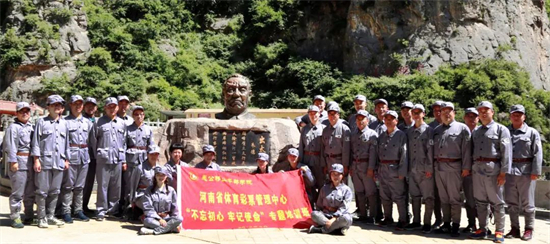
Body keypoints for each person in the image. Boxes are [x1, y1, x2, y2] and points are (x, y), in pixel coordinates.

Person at [469, 101, 511, 243]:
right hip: (477, 170)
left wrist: (503, 173)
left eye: (486, 110)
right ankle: (482, 229)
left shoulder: (501, 129)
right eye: (480, 111)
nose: (483, 112)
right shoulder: (476, 131)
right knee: (480, 202)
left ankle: (499, 231)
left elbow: (507, 153)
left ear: (492, 112)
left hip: (494, 170)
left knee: (497, 202)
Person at [432, 102, 472, 237]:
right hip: (439, 168)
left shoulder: (462, 128)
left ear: (454, 113)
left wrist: (466, 167)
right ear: (440, 114)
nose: (446, 114)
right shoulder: (436, 130)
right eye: (443, 111)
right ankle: (446, 223)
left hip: (454, 167)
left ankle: (455, 224)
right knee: (443, 198)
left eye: (449, 111)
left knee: (454, 198)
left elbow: (467, 151)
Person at [504, 105, 542, 241]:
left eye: (519, 114)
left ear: (524, 117)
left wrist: (536, 171)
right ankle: (514, 228)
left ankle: (529, 229)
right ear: (510, 116)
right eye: (514, 114)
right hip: (509, 171)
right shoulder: (505, 132)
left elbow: (538, 153)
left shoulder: (532, 133)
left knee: (528, 203)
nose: (516, 116)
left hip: (526, 171)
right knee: (511, 202)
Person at [31, 95, 70, 228]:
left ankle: (50, 215)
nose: (57, 107)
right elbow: (35, 142)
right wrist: (36, 160)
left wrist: (66, 159)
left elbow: (67, 143)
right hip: (45, 161)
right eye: (54, 105)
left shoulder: (64, 123)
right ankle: (41, 217)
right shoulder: (41, 122)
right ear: (48, 107)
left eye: (59, 105)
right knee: (42, 191)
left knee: (55, 191)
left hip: (59, 161)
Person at [90, 97, 127, 221]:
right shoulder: (98, 122)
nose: (112, 109)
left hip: (117, 158)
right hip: (103, 158)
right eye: (109, 106)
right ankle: (100, 210)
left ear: (117, 108)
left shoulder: (122, 123)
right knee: (102, 186)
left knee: (116, 186)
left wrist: (124, 159)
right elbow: (94, 141)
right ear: (105, 108)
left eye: (114, 106)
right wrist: (98, 156)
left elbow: (124, 142)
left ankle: (113, 210)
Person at [60, 95, 93, 223]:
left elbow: (91, 141)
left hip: (84, 156)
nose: (78, 106)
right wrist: (65, 158)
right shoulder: (65, 122)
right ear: (70, 105)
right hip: (71, 155)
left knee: (80, 186)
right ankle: (66, 211)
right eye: (75, 104)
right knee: (68, 186)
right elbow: (63, 142)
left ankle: (78, 210)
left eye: (80, 104)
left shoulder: (87, 122)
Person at [405, 104, 435, 233]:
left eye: (419, 112)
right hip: (412, 169)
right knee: (415, 196)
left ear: (424, 114)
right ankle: (416, 221)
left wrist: (429, 169)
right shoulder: (409, 131)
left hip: (425, 170)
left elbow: (431, 151)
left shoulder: (429, 131)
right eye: (414, 112)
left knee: (428, 198)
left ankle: (427, 223)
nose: (416, 115)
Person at [4, 102, 34, 228]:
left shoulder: (31, 127)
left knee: (30, 191)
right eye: (22, 111)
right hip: (19, 160)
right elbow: (10, 146)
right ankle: (15, 217)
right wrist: (13, 161)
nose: (25, 113)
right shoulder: (13, 127)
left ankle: (28, 215)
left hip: (30, 161)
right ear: (17, 113)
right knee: (18, 192)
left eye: (27, 111)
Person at [376, 110, 408, 230]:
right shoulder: (382, 136)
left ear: (396, 121)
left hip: (395, 169)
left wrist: (402, 172)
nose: (389, 121)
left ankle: (403, 219)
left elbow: (404, 154)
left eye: (391, 119)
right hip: (382, 168)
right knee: (384, 195)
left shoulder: (401, 135)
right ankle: (388, 218)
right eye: (386, 119)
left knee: (399, 196)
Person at [122, 105, 155, 217]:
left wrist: (153, 161)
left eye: (141, 114)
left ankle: (140, 208)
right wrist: (123, 161)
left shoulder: (148, 129)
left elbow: (151, 146)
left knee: (144, 184)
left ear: (144, 115)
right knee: (129, 185)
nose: (139, 116)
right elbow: (123, 145)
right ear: (133, 116)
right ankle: (128, 208)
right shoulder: (128, 129)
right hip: (131, 161)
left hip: (144, 160)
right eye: (136, 114)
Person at [349, 110, 378, 224]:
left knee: (370, 192)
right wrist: (351, 166)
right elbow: (350, 151)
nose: (360, 121)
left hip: (366, 166)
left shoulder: (372, 134)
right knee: (359, 192)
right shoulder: (353, 134)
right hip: (355, 166)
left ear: (368, 120)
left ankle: (373, 215)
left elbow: (373, 154)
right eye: (358, 119)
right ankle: (363, 214)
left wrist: (371, 168)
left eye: (362, 119)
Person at [308, 164, 352, 235]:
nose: (335, 176)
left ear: (342, 175)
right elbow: (319, 205)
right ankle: (336, 229)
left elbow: (344, 207)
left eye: (338, 174)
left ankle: (321, 230)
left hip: (339, 217)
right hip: (326, 215)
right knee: (314, 214)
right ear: (330, 175)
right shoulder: (324, 188)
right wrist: (321, 215)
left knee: (346, 219)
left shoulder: (347, 190)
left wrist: (334, 218)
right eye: (333, 174)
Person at [138, 166, 182, 235]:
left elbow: (175, 208)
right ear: (155, 176)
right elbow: (148, 208)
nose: (161, 177)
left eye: (163, 175)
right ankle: (171, 229)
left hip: (167, 218)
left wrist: (174, 220)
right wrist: (159, 219)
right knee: (147, 221)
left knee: (179, 218)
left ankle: (152, 231)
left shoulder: (171, 190)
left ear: (166, 176)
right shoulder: (149, 190)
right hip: (154, 219)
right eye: (158, 175)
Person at [298, 105, 327, 202]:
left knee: (321, 184)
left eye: (315, 113)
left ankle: (320, 206)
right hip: (307, 159)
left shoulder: (324, 128)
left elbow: (325, 148)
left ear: (319, 114)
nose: (313, 115)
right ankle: (311, 206)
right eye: (310, 113)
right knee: (309, 184)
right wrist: (300, 163)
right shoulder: (304, 129)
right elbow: (301, 147)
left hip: (319, 160)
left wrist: (324, 163)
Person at [321, 103, 351, 178]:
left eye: (334, 113)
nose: (332, 116)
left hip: (340, 162)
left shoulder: (345, 129)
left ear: (338, 115)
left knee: (341, 184)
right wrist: (324, 164)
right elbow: (323, 148)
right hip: (329, 162)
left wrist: (345, 165)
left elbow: (346, 150)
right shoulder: (325, 130)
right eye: (330, 114)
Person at [462, 107, 479, 233]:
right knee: (469, 200)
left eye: (474, 116)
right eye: (469, 116)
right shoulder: (461, 132)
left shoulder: (482, 132)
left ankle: (484, 225)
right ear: (464, 118)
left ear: (478, 118)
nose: (471, 118)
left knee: (483, 200)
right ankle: (471, 223)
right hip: (466, 172)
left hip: (482, 172)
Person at [428, 100, 444, 229]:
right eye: (435, 110)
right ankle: (438, 219)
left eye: (440, 110)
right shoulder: (430, 128)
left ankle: (450, 220)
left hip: (450, 166)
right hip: (433, 166)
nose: (437, 113)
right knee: (435, 195)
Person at [135, 146, 163, 211]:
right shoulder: (140, 168)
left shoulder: (160, 168)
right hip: (142, 195)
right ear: (147, 155)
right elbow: (133, 186)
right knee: (150, 205)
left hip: (155, 194)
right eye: (151, 154)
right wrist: (132, 200)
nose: (154, 156)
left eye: (156, 154)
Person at [82, 97, 98, 213]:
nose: (90, 107)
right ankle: (77, 207)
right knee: (81, 183)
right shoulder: (81, 120)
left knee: (90, 183)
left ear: (96, 108)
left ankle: (84, 206)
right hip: (83, 155)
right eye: (88, 105)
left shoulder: (98, 121)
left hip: (95, 156)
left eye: (92, 105)